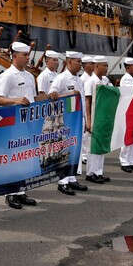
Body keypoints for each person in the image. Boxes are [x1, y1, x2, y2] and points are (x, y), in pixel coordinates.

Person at [0, 42, 39, 209]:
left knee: (25, 157)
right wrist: (16, 101)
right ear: (15, 56)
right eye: (25, 55)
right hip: (13, 123)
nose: (28, 58)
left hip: (28, 122)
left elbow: (34, 99)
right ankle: (10, 193)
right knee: (13, 157)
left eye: (28, 55)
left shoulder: (29, 76)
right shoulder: (7, 76)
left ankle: (21, 191)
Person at [48, 51, 88, 195]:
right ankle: (62, 182)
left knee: (74, 151)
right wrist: (69, 94)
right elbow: (52, 95)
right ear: (69, 61)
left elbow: (82, 101)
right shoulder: (61, 78)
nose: (80, 65)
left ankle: (71, 178)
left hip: (77, 120)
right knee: (64, 151)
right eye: (78, 62)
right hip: (65, 121)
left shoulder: (78, 79)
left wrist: (85, 119)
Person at [84, 56, 111, 183]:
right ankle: (91, 173)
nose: (106, 68)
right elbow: (87, 102)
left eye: (106, 65)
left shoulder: (105, 80)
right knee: (93, 147)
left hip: (103, 117)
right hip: (94, 117)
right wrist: (89, 121)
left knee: (101, 146)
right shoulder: (90, 81)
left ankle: (99, 172)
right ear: (96, 67)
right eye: (104, 65)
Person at [79, 56, 95, 164]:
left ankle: (88, 153)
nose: (93, 65)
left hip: (94, 107)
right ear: (85, 66)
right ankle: (83, 155)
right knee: (84, 134)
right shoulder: (82, 79)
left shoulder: (93, 77)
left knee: (90, 134)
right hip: (85, 107)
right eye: (91, 63)